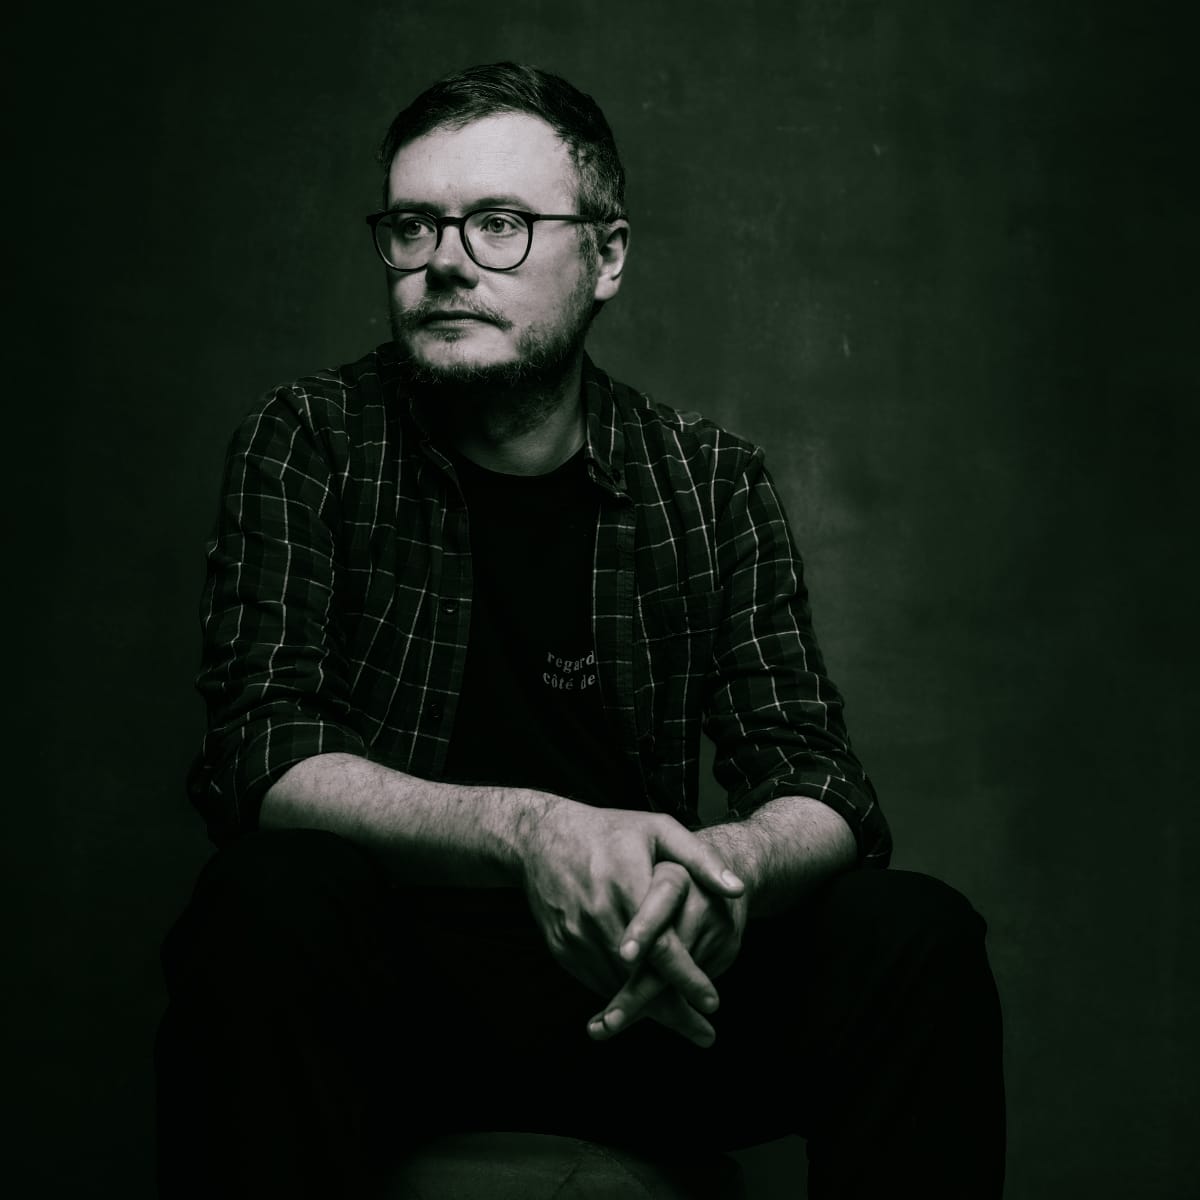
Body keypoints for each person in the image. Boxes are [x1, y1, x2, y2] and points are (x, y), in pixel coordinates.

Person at [155, 62, 1005, 1199]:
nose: (446, 260)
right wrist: (531, 830)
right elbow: (257, 755)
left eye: (499, 223)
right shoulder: (310, 440)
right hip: (394, 1012)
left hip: (648, 997)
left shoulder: (709, 480)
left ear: (605, 257)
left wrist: (727, 873)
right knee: (261, 903)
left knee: (917, 935)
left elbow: (824, 786)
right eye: (414, 226)